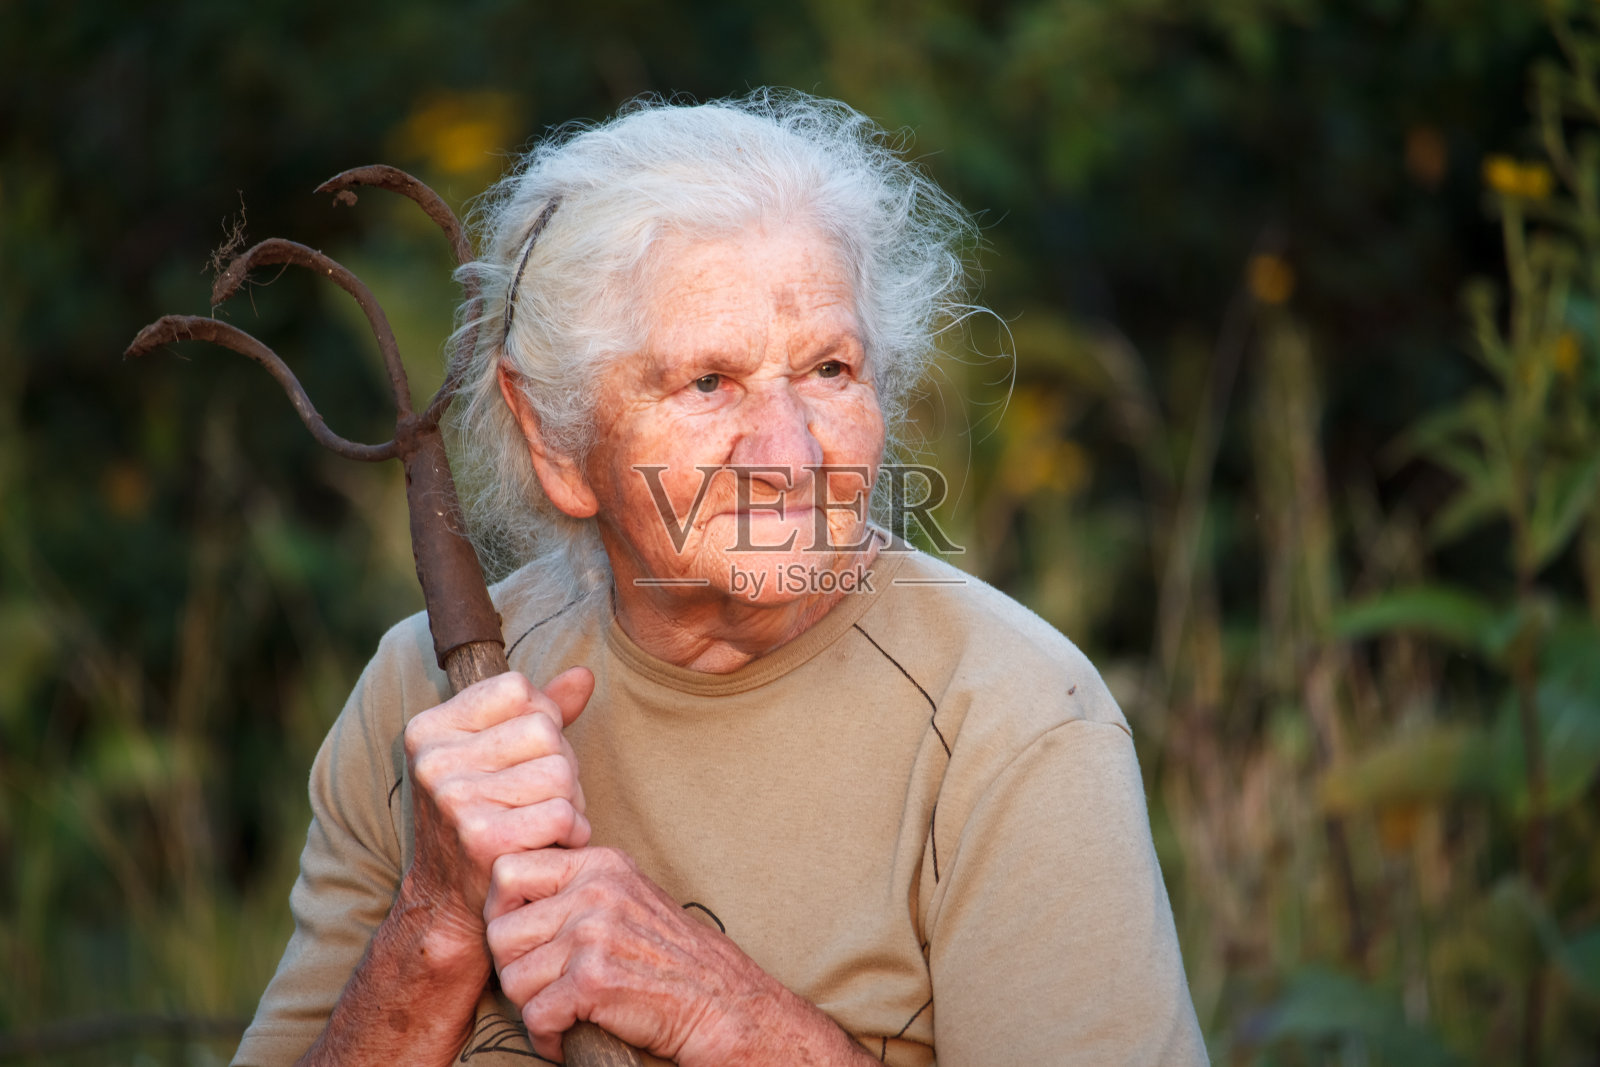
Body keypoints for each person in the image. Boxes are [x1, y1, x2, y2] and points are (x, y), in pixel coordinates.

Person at [232, 90, 1207, 1067]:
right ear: (553, 439)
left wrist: (731, 1021)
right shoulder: (424, 705)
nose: (790, 454)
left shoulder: (1012, 721)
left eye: (829, 370)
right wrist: (437, 922)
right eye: (708, 382)